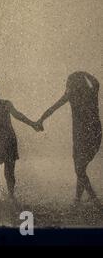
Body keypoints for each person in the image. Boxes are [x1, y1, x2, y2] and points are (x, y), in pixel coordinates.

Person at [37, 71, 101, 207]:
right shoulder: (91, 93)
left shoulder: (72, 95)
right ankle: (78, 200)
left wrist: (41, 120)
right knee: (80, 167)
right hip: (93, 134)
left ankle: (94, 200)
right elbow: (96, 82)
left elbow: (53, 108)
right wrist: (84, 73)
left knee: (79, 168)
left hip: (84, 135)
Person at [0, 86, 42, 201]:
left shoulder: (5, 104)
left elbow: (18, 115)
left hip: (9, 140)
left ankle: (11, 197)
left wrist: (32, 124)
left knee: (8, 172)